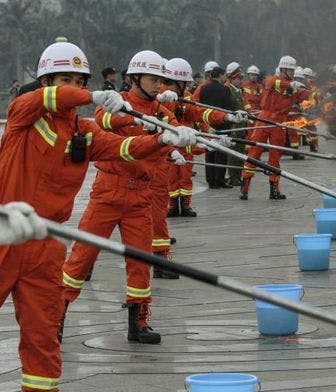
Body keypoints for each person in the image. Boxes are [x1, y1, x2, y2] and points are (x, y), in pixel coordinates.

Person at [0, 41, 196, 392]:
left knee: (43, 340)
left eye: (79, 80)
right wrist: (90, 96)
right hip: (6, 234)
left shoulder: (83, 132)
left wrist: (165, 141)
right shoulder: (23, 115)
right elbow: (46, 100)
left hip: (45, 243)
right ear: (45, 81)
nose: (73, 86)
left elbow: (122, 148)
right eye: (64, 79)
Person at [62, 50, 198, 346]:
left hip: (141, 195)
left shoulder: (162, 112)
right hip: (109, 191)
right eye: (152, 79)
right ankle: (55, 317)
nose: (158, 85)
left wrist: (195, 140)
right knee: (82, 257)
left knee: (140, 260)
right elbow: (105, 120)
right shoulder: (119, 102)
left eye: (160, 80)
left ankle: (139, 322)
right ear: (133, 78)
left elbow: (173, 132)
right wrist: (141, 123)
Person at [162, 58, 240, 217]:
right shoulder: (162, 97)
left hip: (186, 141)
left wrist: (226, 117)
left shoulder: (186, 97)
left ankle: (185, 205)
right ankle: (171, 205)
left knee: (185, 176)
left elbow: (200, 113)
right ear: (178, 82)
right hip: (168, 144)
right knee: (170, 177)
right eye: (186, 82)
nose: (189, 85)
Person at [240, 56, 311, 200]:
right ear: (283, 69)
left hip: (279, 122)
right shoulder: (273, 80)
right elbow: (276, 83)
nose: (292, 73)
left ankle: (274, 189)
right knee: (254, 152)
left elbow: (305, 95)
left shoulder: (294, 86)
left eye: (293, 70)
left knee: (275, 155)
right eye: (290, 70)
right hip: (264, 119)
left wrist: (319, 96)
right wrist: (293, 86)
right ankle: (245, 186)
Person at [199, 66, 236, 189]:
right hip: (222, 124)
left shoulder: (204, 88)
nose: (226, 77)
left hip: (207, 124)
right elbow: (229, 108)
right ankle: (219, 179)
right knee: (221, 153)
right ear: (220, 75)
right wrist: (232, 125)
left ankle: (210, 180)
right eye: (224, 75)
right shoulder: (224, 89)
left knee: (209, 152)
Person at [224, 62, 248, 186]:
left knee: (240, 153)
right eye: (239, 78)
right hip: (234, 127)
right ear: (232, 78)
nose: (241, 81)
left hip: (241, 127)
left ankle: (238, 176)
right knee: (233, 154)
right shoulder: (228, 90)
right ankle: (233, 177)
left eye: (242, 78)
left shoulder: (238, 91)